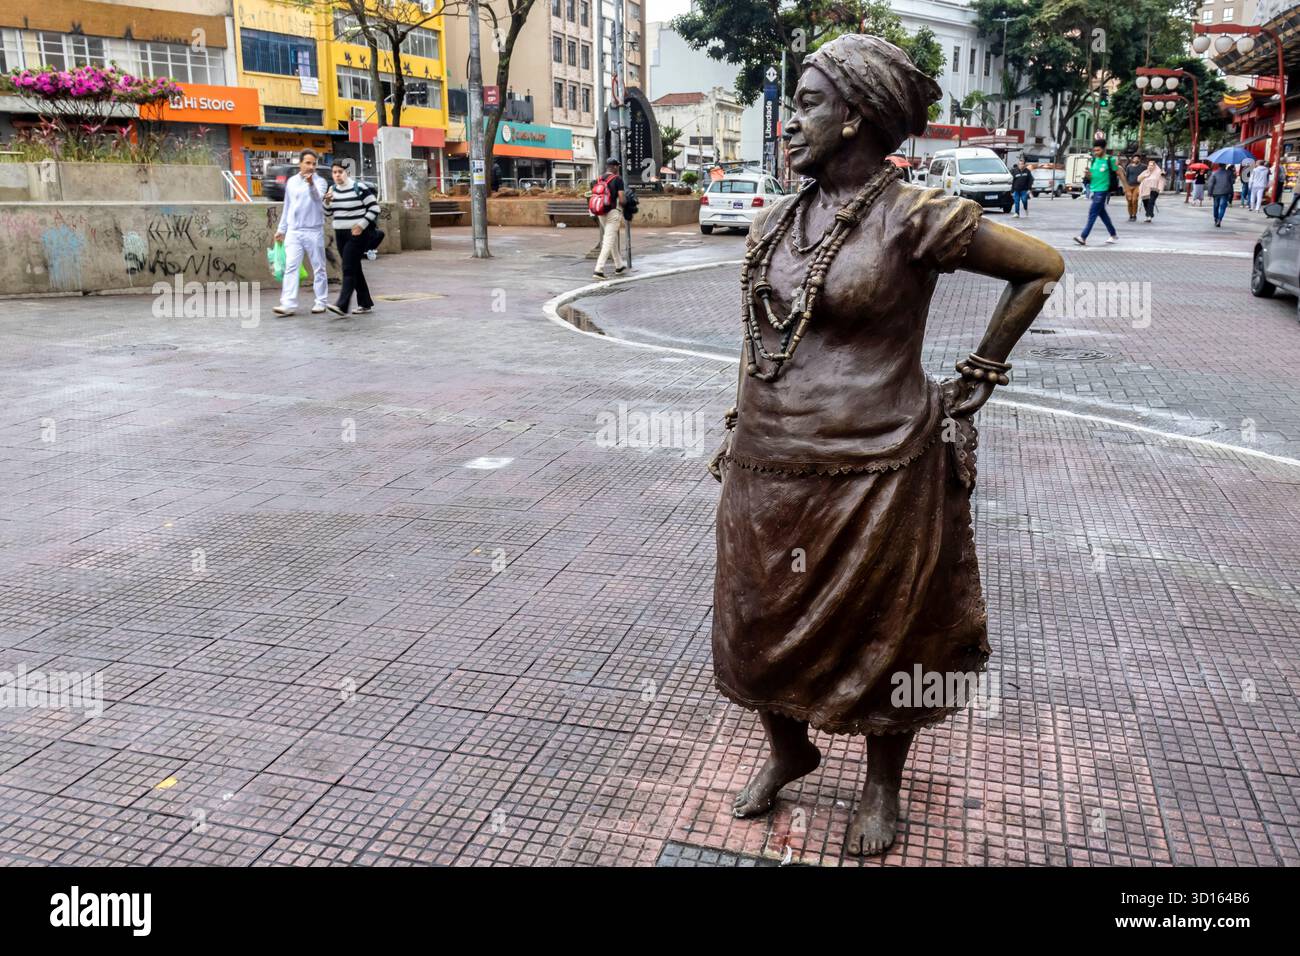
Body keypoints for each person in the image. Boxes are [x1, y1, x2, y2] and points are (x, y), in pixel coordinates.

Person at [708, 33, 1063, 857]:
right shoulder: (778, 217)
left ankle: (881, 784)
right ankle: (789, 749)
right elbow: (762, 337)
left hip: (879, 463)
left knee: (883, 637)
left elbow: (1040, 267)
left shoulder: (917, 217)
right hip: (767, 461)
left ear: (855, 116)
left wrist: (981, 369)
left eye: (806, 104)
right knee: (752, 624)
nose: (787, 124)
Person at [272, 148, 330, 317]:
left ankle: (321, 302)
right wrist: (281, 229)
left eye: (314, 163)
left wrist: (310, 183)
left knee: (319, 267)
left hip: (314, 230)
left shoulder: (320, 182)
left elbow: (317, 198)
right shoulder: (291, 182)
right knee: (291, 267)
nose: (311, 166)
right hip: (294, 231)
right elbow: (287, 206)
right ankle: (288, 304)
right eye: (308, 163)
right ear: (300, 163)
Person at [323, 160, 380, 316]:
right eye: (334, 172)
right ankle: (365, 303)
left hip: (357, 234)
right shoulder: (332, 190)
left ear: (347, 173)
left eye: (340, 172)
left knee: (348, 268)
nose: (337, 175)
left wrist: (361, 225)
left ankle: (342, 305)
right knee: (355, 268)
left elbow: (375, 208)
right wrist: (327, 202)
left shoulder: (359, 188)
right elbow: (328, 213)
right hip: (340, 233)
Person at [1073, 140, 1120, 246]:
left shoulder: (1110, 160)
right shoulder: (1094, 160)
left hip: (1103, 190)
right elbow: (1091, 177)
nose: (1096, 152)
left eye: (1098, 150)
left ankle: (1083, 237)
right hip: (1095, 189)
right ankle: (1113, 234)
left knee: (1092, 213)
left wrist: (1126, 187)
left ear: (1104, 149)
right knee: (1102, 214)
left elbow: (1119, 172)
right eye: (1094, 150)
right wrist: (1088, 174)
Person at [591, 158, 627, 280]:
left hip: (601, 211)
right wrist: (625, 206)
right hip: (613, 212)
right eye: (618, 166)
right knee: (608, 240)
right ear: (615, 167)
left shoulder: (599, 179)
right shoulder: (618, 179)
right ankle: (598, 270)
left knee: (612, 238)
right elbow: (622, 199)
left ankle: (619, 266)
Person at [1122, 154, 1144, 221]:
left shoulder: (1143, 167)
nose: (1136, 159)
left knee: (1134, 200)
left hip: (1137, 186)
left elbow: (1149, 170)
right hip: (1129, 186)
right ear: (1132, 159)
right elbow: (1126, 177)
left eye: (1137, 158)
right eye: (1134, 158)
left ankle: (1134, 215)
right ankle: (1130, 215)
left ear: (1139, 159)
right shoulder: (1129, 167)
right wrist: (1125, 187)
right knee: (1129, 201)